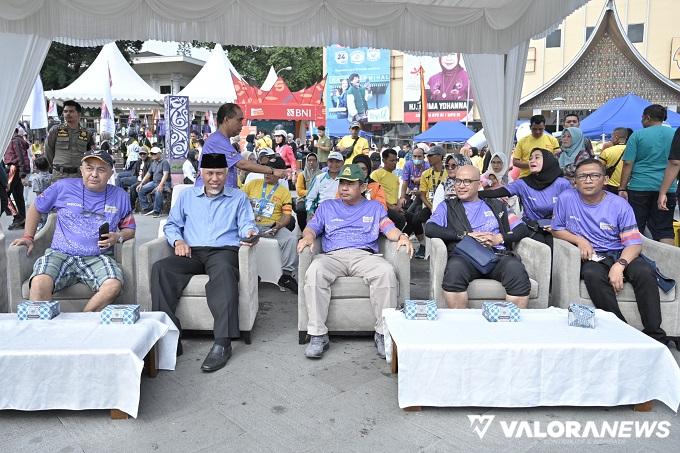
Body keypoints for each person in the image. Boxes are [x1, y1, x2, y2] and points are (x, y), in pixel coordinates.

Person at [152, 153, 259, 372]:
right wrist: (178, 240)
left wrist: (250, 232)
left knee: (224, 274)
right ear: (201, 173)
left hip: (223, 251)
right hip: (191, 250)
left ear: (227, 174)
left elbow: (247, 224)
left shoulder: (237, 197)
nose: (214, 179)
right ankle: (171, 337)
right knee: (161, 269)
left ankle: (222, 343)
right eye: (210, 173)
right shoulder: (186, 197)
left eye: (219, 173)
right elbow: (172, 225)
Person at [297, 164, 413, 359]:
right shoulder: (327, 206)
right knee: (315, 270)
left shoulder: (374, 207)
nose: (344, 187)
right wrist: (307, 237)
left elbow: (388, 228)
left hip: (364, 256)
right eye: (342, 182)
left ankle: (382, 333)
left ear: (363, 187)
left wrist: (402, 237)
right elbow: (312, 227)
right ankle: (318, 335)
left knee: (385, 272)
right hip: (333, 255)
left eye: (350, 184)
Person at [552, 158, 667, 343]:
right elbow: (556, 229)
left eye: (594, 175)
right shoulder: (566, 198)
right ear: (575, 181)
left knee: (645, 272)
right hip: (593, 256)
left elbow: (634, 243)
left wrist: (619, 266)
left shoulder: (619, 204)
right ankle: (620, 330)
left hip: (620, 251)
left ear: (605, 180)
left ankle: (655, 335)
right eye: (582, 176)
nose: (588, 180)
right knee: (591, 273)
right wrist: (579, 240)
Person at [10, 150, 136, 311]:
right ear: (82, 170)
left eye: (101, 169)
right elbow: (36, 207)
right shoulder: (63, 187)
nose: (94, 174)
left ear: (111, 173)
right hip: (60, 253)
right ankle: (42, 331)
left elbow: (129, 229)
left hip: (97, 257)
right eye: (89, 168)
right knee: (39, 282)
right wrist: (28, 237)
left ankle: (83, 321)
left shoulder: (120, 196)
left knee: (113, 285)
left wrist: (117, 236)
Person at [425, 165, 531, 309]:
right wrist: (465, 235)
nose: (461, 186)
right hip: (465, 256)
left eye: (467, 181)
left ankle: (509, 328)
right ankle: (462, 326)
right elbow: (430, 228)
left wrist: (499, 238)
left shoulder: (496, 206)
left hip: (496, 255)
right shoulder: (447, 206)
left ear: (479, 184)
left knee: (516, 270)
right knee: (454, 271)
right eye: (458, 181)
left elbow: (521, 228)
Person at [480, 148, 571, 249]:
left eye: (537, 158)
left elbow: (570, 208)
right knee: (542, 248)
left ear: (547, 161)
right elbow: (497, 192)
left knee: (557, 247)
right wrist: (474, 193)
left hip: (556, 227)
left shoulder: (562, 184)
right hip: (533, 228)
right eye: (530, 158)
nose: (532, 160)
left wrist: (557, 224)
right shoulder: (523, 183)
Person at [619, 104, 677, 245]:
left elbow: (628, 163)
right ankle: (668, 264)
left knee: (636, 226)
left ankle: (636, 260)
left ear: (647, 117)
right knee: (664, 228)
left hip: (639, 187)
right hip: (667, 187)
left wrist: (622, 188)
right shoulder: (675, 134)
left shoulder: (637, 135)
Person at [197, 104, 289, 188]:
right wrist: (273, 171)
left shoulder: (221, 139)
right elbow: (242, 164)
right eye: (239, 120)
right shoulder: (218, 140)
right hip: (211, 197)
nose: (242, 124)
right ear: (226, 120)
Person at [242, 156, 298, 292]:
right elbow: (239, 205)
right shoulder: (252, 184)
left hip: (272, 228)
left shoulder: (284, 192)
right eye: (266, 170)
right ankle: (247, 274)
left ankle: (286, 276)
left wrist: (278, 225)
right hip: (250, 226)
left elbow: (287, 215)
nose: (267, 173)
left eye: (272, 171)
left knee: (291, 239)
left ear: (279, 174)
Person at [410, 145, 447, 258]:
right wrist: (431, 208)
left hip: (446, 207)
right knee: (415, 219)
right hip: (429, 206)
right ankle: (423, 245)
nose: (428, 158)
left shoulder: (447, 173)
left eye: (431, 155)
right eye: (427, 155)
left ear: (440, 157)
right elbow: (422, 194)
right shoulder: (426, 174)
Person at [44, 100, 95, 181]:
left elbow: (91, 154)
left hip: (79, 175)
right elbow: (48, 150)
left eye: (71, 111)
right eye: (65, 111)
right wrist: (54, 166)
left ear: (79, 114)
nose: (68, 114)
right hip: (59, 175)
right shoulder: (55, 130)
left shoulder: (87, 133)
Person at [3, 127, 30, 230]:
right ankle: (21, 219)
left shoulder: (14, 141)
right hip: (16, 169)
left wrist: (22, 173)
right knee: (17, 195)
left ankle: (17, 217)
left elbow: (20, 156)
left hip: (14, 168)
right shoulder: (16, 140)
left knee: (4, 194)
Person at [305, 151, 344, 216]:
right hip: (322, 212)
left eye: (337, 162)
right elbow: (310, 198)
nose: (334, 164)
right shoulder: (319, 178)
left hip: (341, 213)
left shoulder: (346, 179)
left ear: (342, 163)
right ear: (327, 163)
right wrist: (312, 212)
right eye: (331, 161)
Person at [136, 147, 171, 217]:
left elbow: (165, 175)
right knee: (141, 189)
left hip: (164, 183)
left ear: (159, 154)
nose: (153, 155)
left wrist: (161, 185)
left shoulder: (164, 162)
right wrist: (141, 183)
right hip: (154, 182)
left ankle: (157, 211)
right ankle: (146, 208)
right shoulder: (154, 163)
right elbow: (148, 174)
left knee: (158, 191)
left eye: (154, 154)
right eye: (151, 154)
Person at [370, 148, 401, 219]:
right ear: (384, 161)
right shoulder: (376, 174)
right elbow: (374, 196)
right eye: (392, 160)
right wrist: (391, 206)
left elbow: (395, 196)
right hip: (383, 207)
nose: (395, 163)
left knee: (412, 218)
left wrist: (398, 207)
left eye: (396, 160)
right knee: (400, 219)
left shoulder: (395, 176)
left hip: (395, 207)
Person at [598, 127, 629, 194]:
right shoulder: (632, 150)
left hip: (610, 185)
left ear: (616, 137)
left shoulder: (607, 151)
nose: (611, 139)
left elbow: (598, 167)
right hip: (628, 186)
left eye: (612, 136)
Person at [295, 153, 321, 231]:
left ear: (317, 161)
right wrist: (311, 193)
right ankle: (303, 229)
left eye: (314, 160)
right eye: (309, 160)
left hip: (318, 198)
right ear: (306, 162)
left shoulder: (322, 174)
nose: (311, 162)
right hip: (304, 198)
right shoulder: (302, 175)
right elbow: (299, 191)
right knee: (300, 209)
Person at [28, 156, 52, 229]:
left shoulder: (36, 178)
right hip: (53, 202)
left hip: (43, 202)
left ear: (36, 167)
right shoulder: (53, 176)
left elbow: (38, 193)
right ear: (48, 165)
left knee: (44, 222)